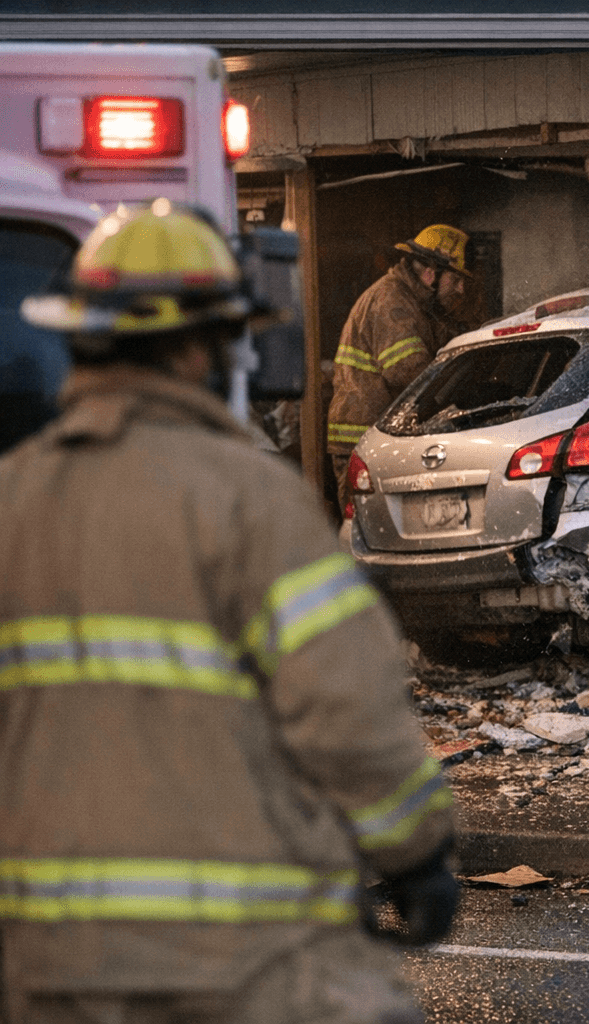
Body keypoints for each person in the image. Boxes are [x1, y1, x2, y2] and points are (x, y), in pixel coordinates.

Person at [2, 201, 458, 1022]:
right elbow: (350, 719)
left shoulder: (11, 504)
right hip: (238, 966)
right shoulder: (254, 506)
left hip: (45, 969)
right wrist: (416, 854)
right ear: (199, 346)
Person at [326, 223, 471, 508]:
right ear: (432, 273)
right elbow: (409, 373)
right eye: (455, 279)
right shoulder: (392, 302)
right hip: (364, 441)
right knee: (364, 532)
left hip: (377, 440)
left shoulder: (411, 303)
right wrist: (458, 399)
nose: (461, 288)